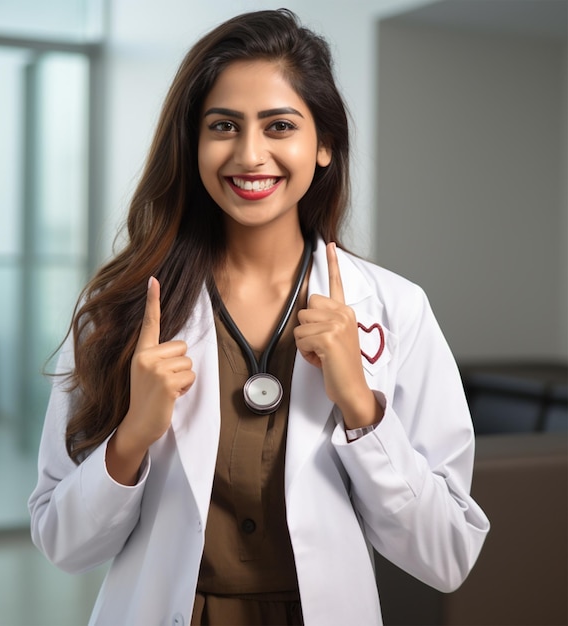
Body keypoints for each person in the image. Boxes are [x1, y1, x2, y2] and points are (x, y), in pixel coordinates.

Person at [28, 9, 490, 625]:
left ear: (323, 144)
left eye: (279, 126)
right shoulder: (120, 311)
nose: (250, 155)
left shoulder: (396, 309)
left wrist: (361, 409)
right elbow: (62, 543)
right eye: (224, 125)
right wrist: (134, 435)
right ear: (192, 142)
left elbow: (447, 554)